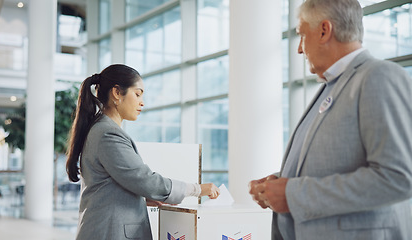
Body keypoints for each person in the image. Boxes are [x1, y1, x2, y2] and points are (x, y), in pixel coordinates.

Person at [248, 0, 412, 239]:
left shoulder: (378, 77)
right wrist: (280, 185)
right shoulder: (331, 87)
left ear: (324, 30)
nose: (299, 49)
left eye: (302, 35)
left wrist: (294, 194)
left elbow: (397, 177)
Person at [66, 64, 220, 240]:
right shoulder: (108, 134)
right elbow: (145, 180)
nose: (142, 102)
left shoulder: (100, 129)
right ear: (117, 93)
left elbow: (109, 185)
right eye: (137, 94)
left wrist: (140, 199)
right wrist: (197, 189)